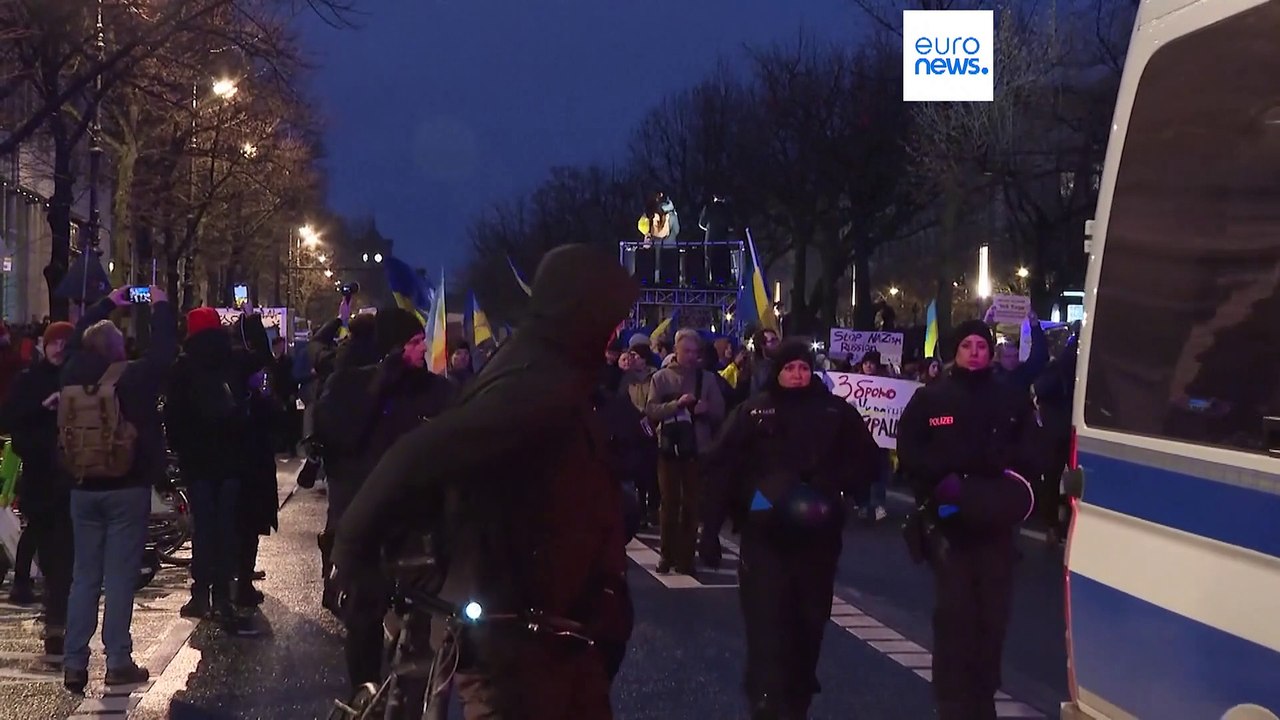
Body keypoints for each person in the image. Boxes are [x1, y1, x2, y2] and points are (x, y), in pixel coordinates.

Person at [332, 243, 639, 718]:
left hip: (553, 626)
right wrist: (352, 553)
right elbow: (418, 455)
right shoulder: (537, 380)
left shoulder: (553, 368)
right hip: (517, 631)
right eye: (613, 314)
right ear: (584, 308)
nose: (619, 327)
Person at [706, 339, 878, 718]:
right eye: (789, 369)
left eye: (803, 368)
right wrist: (715, 527)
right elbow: (723, 465)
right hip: (765, 533)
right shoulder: (752, 411)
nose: (797, 375)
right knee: (766, 617)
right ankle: (765, 696)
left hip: (818, 536)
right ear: (777, 373)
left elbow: (868, 460)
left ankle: (799, 691)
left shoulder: (836, 411)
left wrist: (835, 486)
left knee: (809, 618)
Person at [896, 320, 1039, 720]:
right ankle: (952, 702)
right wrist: (942, 482)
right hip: (949, 525)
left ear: (991, 352)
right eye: (967, 345)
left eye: (982, 345)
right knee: (955, 616)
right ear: (954, 352)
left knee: (992, 618)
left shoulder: (1011, 399)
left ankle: (983, 697)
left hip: (994, 525)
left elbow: (1031, 451)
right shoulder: (931, 398)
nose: (975, 351)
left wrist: (1009, 485)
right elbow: (909, 450)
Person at [59, 286, 177, 693]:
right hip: (127, 486)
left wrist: (110, 299)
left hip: (82, 484)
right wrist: (159, 303)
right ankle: (118, 660)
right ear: (118, 348)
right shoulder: (134, 375)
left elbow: (74, 337)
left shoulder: (72, 370)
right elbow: (164, 353)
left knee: (84, 576)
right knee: (120, 575)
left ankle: (74, 662)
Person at [0, 321, 76, 653]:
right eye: (54, 342)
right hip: (41, 480)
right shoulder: (29, 380)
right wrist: (42, 408)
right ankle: (55, 616)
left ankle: (58, 619)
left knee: (65, 556)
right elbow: (10, 420)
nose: (59, 348)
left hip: (74, 480)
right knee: (50, 552)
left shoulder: (80, 379)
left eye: (65, 343)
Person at [645, 328, 725, 576]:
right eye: (686, 351)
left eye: (694, 351)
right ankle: (666, 554)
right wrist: (675, 405)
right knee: (669, 504)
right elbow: (652, 410)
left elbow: (720, 413)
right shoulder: (661, 378)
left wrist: (704, 409)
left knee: (691, 505)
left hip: (697, 448)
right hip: (669, 447)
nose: (690, 356)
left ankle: (686, 557)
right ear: (676, 351)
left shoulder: (707, 379)